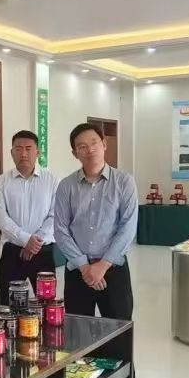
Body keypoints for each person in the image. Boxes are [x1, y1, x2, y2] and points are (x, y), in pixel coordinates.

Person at [54, 123, 137, 320]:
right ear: (75, 153)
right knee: (78, 329)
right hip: (77, 270)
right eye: (82, 146)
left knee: (119, 328)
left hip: (113, 268)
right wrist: (85, 267)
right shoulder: (66, 186)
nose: (90, 150)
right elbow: (60, 229)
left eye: (94, 143)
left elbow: (128, 227)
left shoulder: (124, 181)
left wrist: (103, 265)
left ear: (104, 144)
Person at [0, 130, 59, 304]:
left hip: (43, 251)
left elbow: (55, 215)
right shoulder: (1, 182)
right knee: (10, 305)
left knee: (47, 304)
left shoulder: (51, 181)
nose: (23, 154)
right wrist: (25, 240)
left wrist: (34, 243)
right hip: (13, 252)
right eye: (18, 149)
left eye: (28, 149)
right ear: (11, 152)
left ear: (38, 152)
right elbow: (1, 218)